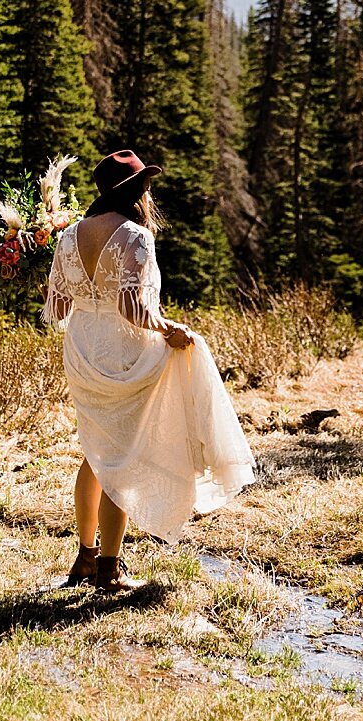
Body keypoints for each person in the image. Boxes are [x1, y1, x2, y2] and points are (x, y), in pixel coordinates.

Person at [43, 150, 256, 590]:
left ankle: (85, 556)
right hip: (123, 350)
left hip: (82, 348)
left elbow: (57, 307)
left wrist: (89, 296)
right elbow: (132, 307)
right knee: (120, 458)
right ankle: (109, 567)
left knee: (95, 449)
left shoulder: (68, 238)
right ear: (137, 192)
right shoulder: (134, 236)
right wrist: (171, 329)